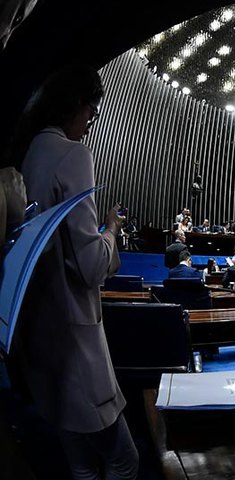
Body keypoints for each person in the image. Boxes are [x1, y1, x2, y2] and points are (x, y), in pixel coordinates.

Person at [13, 64, 139, 479]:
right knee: (123, 460)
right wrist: (112, 228)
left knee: (81, 465)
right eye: (90, 111)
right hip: (75, 342)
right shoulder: (73, 154)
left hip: (40, 342)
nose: (90, 123)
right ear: (74, 105)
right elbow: (91, 266)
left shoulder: (30, 152)